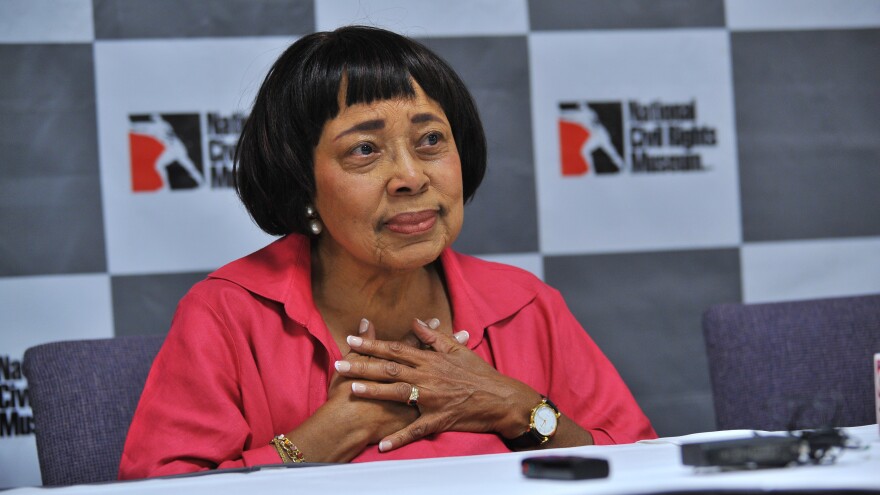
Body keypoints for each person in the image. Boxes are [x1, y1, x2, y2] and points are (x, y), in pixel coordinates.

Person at [118, 25, 656, 479]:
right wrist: (333, 432)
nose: (410, 176)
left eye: (430, 141)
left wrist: (519, 408)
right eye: (364, 150)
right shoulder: (228, 313)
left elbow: (644, 469)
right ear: (301, 181)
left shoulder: (524, 304)